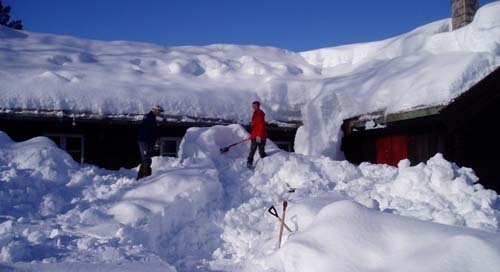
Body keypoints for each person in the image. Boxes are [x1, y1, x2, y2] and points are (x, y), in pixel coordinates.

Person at [137, 105, 163, 180]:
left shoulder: (149, 117)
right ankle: (145, 178)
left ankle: (140, 177)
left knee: (146, 159)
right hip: (144, 141)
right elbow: (152, 132)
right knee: (147, 159)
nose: (160, 113)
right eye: (159, 111)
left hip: (146, 141)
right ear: (155, 110)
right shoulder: (150, 118)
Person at [247, 101, 267, 168]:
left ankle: (267, 163)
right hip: (256, 136)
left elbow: (261, 125)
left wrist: (259, 135)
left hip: (260, 136)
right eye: (253, 106)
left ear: (258, 106)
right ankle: (249, 163)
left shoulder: (259, 113)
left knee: (260, 151)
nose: (253, 107)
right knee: (253, 150)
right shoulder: (255, 113)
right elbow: (255, 127)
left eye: (255, 106)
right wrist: (252, 135)